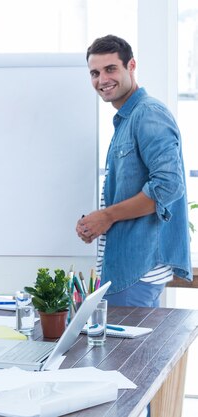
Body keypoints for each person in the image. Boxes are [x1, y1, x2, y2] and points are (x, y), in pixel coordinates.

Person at [76, 35, 191, 307]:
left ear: (131, 66)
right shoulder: (126, 119)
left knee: (124, 350)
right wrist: (97, 221)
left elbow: (167, 186)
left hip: (137, 269)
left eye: (110, 69)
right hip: (126, 264)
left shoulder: (148, 114)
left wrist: (106, 216)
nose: (102, 79)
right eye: (95, 73)